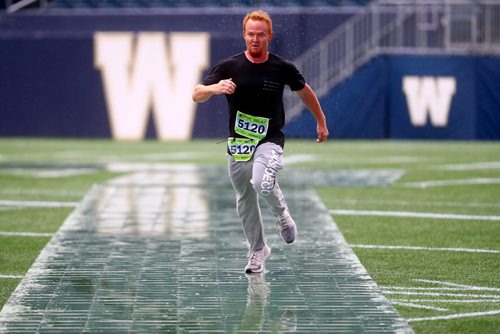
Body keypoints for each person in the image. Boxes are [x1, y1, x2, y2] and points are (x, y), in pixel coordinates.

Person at [192, 10, 329, 274]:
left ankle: (282, 215)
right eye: (251, 34)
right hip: (239, 143)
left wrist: (320, 121)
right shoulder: (228, 67)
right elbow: (197, 94)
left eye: (260, 35)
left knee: (262, 182)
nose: (255, 39)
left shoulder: (281, 67)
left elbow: (305, 91)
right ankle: (257, 250)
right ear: (244, 35)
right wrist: (214, 88)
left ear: (269, 36)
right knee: (244, 197)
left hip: (270, 139)